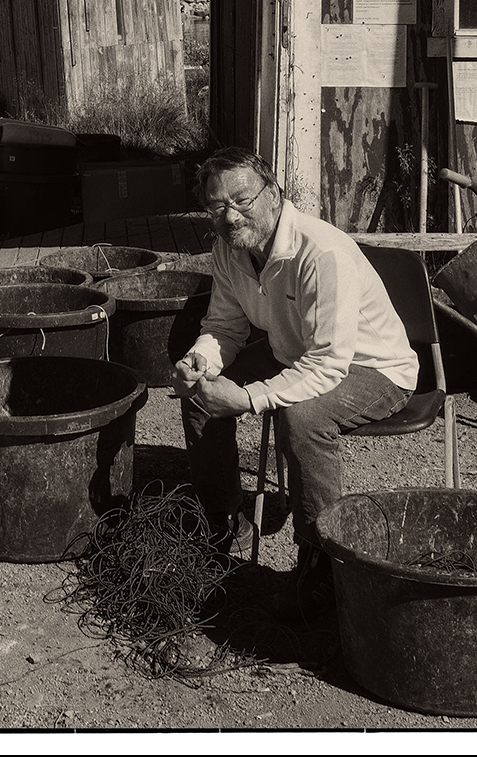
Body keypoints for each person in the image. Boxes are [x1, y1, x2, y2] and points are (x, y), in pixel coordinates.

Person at [173, 147, 419, 617]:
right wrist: (199, 360)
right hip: (295, 349)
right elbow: (225, 326)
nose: (230, 216)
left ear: (273, 193)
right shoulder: (230, 250)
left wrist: (248, 399)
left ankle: (320, 559)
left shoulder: (319, 251)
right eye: (216, 206)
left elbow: (328, 365)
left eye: (242, 199)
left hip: (373, 366)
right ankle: (228, 521)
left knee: (303, 419)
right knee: (201, 397)